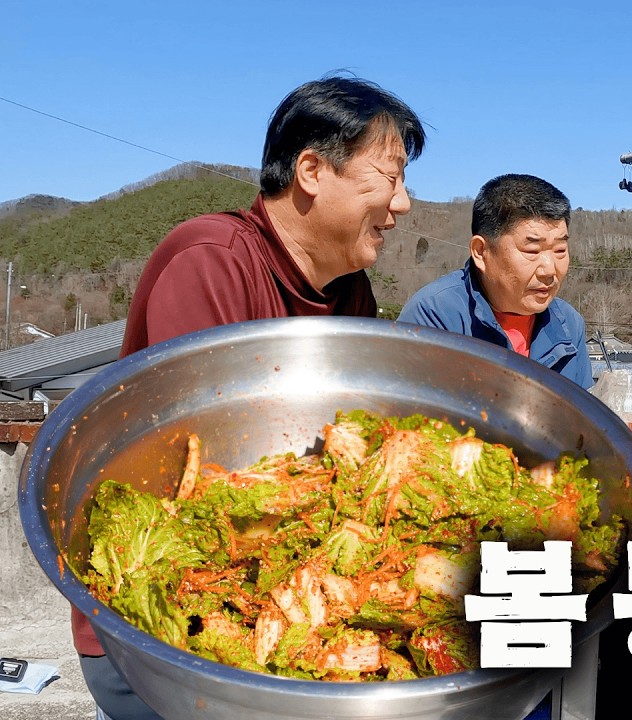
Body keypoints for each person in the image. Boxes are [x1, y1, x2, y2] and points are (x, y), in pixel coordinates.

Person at [76, 75, 426, 720]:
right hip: (165, 627)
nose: (403, 203)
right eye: (390, 177)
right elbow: (207, 470)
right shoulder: (212, 258)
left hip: (291, 612)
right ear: (313, 170)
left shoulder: (348, 291)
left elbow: (359, 446)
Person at [398, 174, 592, 389]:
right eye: (532, 250)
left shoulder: (568, 324)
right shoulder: (435, 316)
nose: (549, 269)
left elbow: (582, 415)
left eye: (560, 250)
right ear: (481, 252)